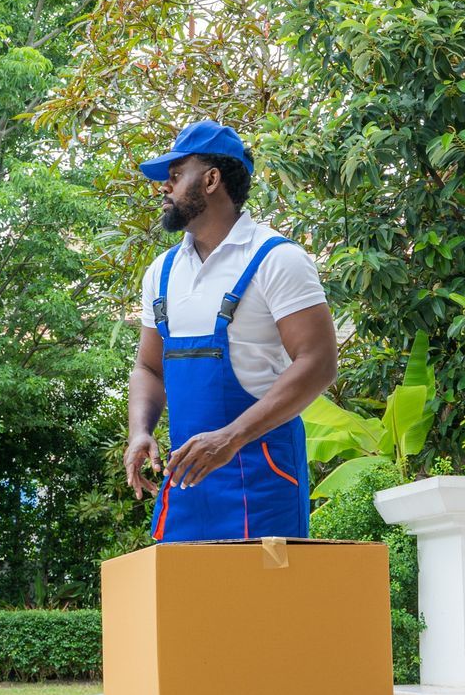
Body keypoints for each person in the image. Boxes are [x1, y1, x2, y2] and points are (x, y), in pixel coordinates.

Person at [124, 121, 337, 541]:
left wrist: (231, 438)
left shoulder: (277, 259)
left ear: (210, 179)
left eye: (174, 175)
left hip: (263, 478)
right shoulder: (162, 273)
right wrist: (140, 432)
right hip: (186, 480)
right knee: (184, 606)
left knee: (262, 606)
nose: (163, 188)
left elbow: (319, 363)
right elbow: (149, 368)